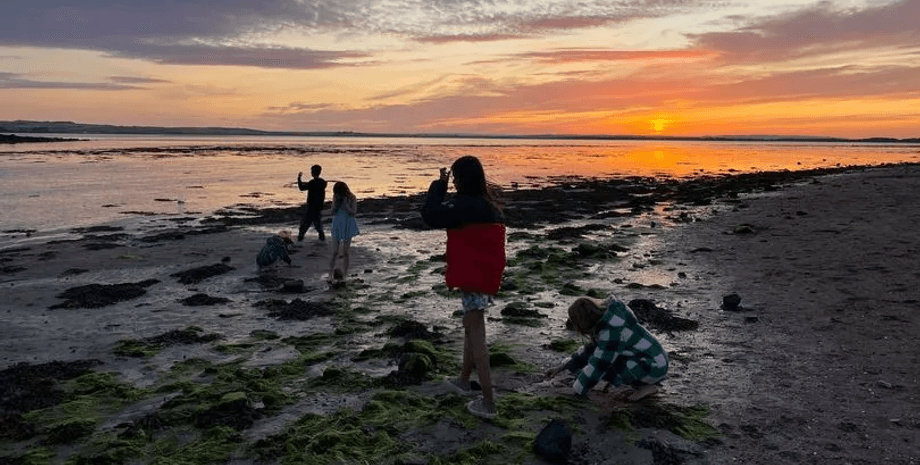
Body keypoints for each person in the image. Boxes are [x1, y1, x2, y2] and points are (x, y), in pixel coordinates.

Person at [421, 155, 506, 419]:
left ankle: (489, 403)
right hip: (485, 278)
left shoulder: (463, 206)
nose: (454, 182)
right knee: (471, 328)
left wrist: (439, 186)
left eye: (456, 177)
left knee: (477, 336)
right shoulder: (491, 206)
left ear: (463, 179)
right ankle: (463, 379)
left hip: (473, 280)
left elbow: (430, 215)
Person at [545, 295, 668, 401]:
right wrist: (562, 367)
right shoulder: (610, 319)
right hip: (653, 358)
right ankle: (641, 383)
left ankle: (646, 387)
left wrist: (578, 391)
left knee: (608, 366)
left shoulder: (612, 333)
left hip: (652, 366)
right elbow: (590, 350)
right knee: (602, 359)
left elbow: (599, 365)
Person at [328, 181, 359, 282]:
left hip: (348, 224)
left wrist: (346, 204)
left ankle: (345, 275)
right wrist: (336, 204)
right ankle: (330, 274)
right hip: (337, 223)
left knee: (345, 252)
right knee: (335, 252)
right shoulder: (335, 197)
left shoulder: (352, 197)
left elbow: (353, 213)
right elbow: (332, 211)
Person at [297, 165, 328, 242]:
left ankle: (299, 240)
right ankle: (322, 240)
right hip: (319, 206)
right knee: (318, 224)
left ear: (312, 172)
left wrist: (299, 179)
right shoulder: (323, 182)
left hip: (311, 206)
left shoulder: (312, 182)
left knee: (305, 224)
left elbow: (301, 188)